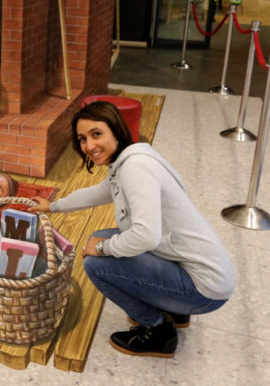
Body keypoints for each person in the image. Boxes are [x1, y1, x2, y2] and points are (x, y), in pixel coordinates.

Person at [30, 101, 235, 358]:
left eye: (96, 134)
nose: (89, 146)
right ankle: (174, 310)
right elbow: (98, 192)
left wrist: (102, 249)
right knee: (104, 237)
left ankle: (158, 330)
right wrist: (53, 206)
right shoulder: (134, 159)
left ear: (116, 131)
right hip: (201, 269)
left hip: (203, 290)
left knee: (95, 263)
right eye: (82, 139)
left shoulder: (135, 169)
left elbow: (146, 236)